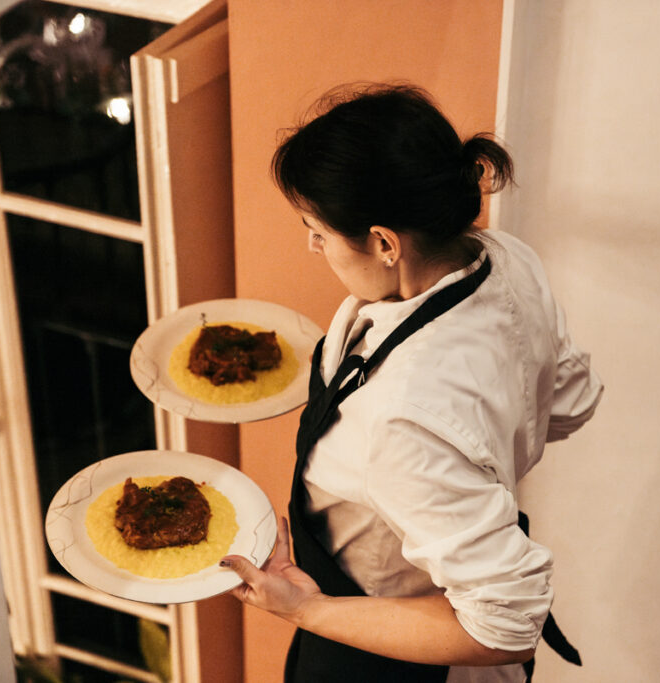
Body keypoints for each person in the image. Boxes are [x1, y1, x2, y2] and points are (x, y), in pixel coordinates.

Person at [220, 83, 603, 683]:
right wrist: (476, 456)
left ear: (383, 243)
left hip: (395, 656)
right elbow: (572, 403)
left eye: (317, 230)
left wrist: (308, 607)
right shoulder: (504, 257)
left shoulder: (404, 414)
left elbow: (506, 626)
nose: (312, 244)